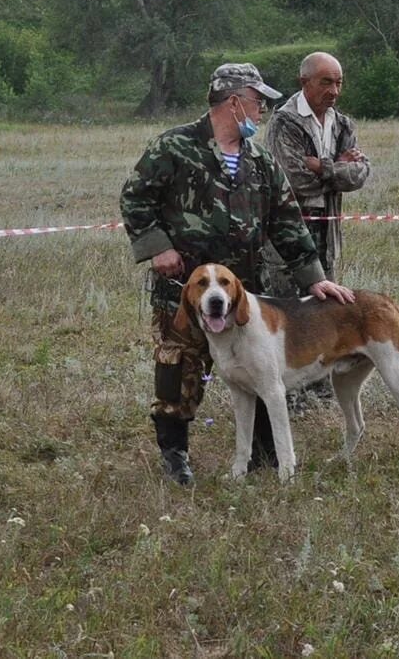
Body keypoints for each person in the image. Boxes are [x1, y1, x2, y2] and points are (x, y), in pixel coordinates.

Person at [120, 62, 355, 485]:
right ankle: (175, 456)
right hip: (184, 289)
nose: (263, 109)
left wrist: (314, 277)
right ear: (233, 102)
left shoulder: (260, 160)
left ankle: (264, 454)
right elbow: (135, 198)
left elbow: (286, 220)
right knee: (178, 368)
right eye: (257, 101)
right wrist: (158, 247)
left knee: (259, 367)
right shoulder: (174, 147)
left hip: (243, 294)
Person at [265, 51, 371, 290]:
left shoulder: (343, 124)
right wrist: (339, 168)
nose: (334, 91)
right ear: (304, 82)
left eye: (339, 83)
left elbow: (360, 174)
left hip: (327, 237)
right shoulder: (284, 122)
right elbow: (294, 180)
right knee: (289, 309)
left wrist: (322, 166)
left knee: (325, 309)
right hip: (287, 241)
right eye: (326, 82)